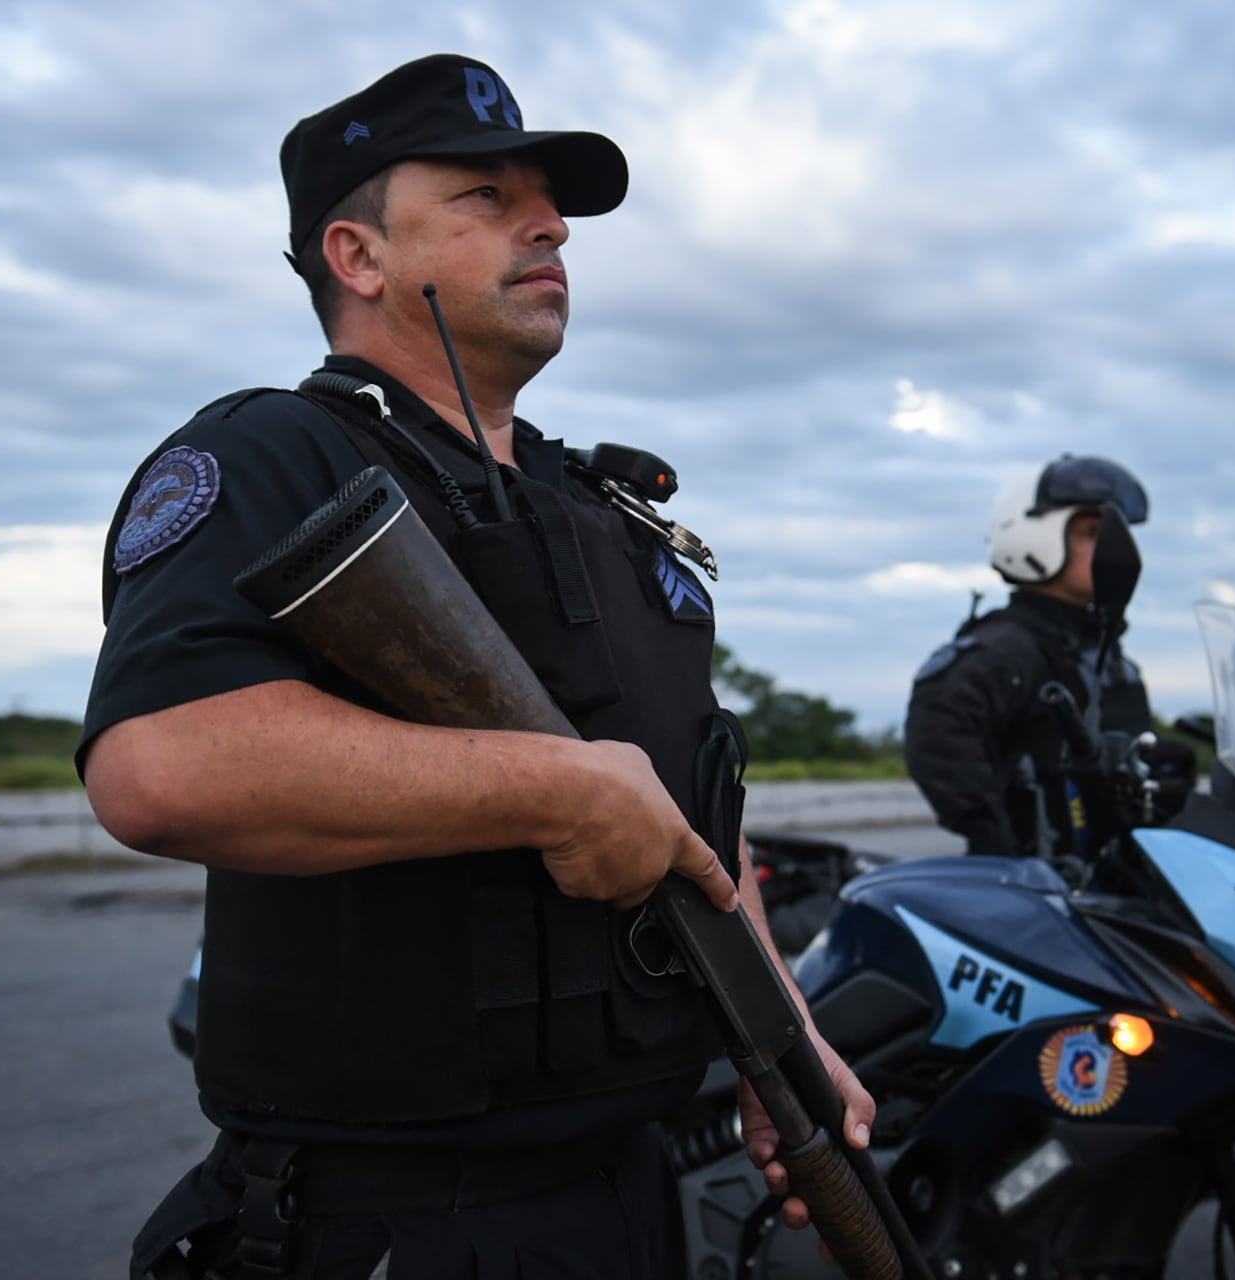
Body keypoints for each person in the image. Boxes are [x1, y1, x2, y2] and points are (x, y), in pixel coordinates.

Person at [82, 54, 870, 1280]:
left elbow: (699, 824)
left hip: (631, 1187)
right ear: (359, 256)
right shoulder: (274, 455)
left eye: (544, 203)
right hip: (391, 1218)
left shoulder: (606, 513)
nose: (547, 222)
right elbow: (159, 764)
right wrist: (557, 788)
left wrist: (784, 1037)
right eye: (485, 197)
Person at [904, 455, 1181, 861]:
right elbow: (937, 738)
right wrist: (997, 844)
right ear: (1033, 536)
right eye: (1090, 532)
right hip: (1038, 895)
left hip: (1118, 883)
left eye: (1113, 533)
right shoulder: (1004, 649)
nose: (1110, 546)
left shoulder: (1108, 656)